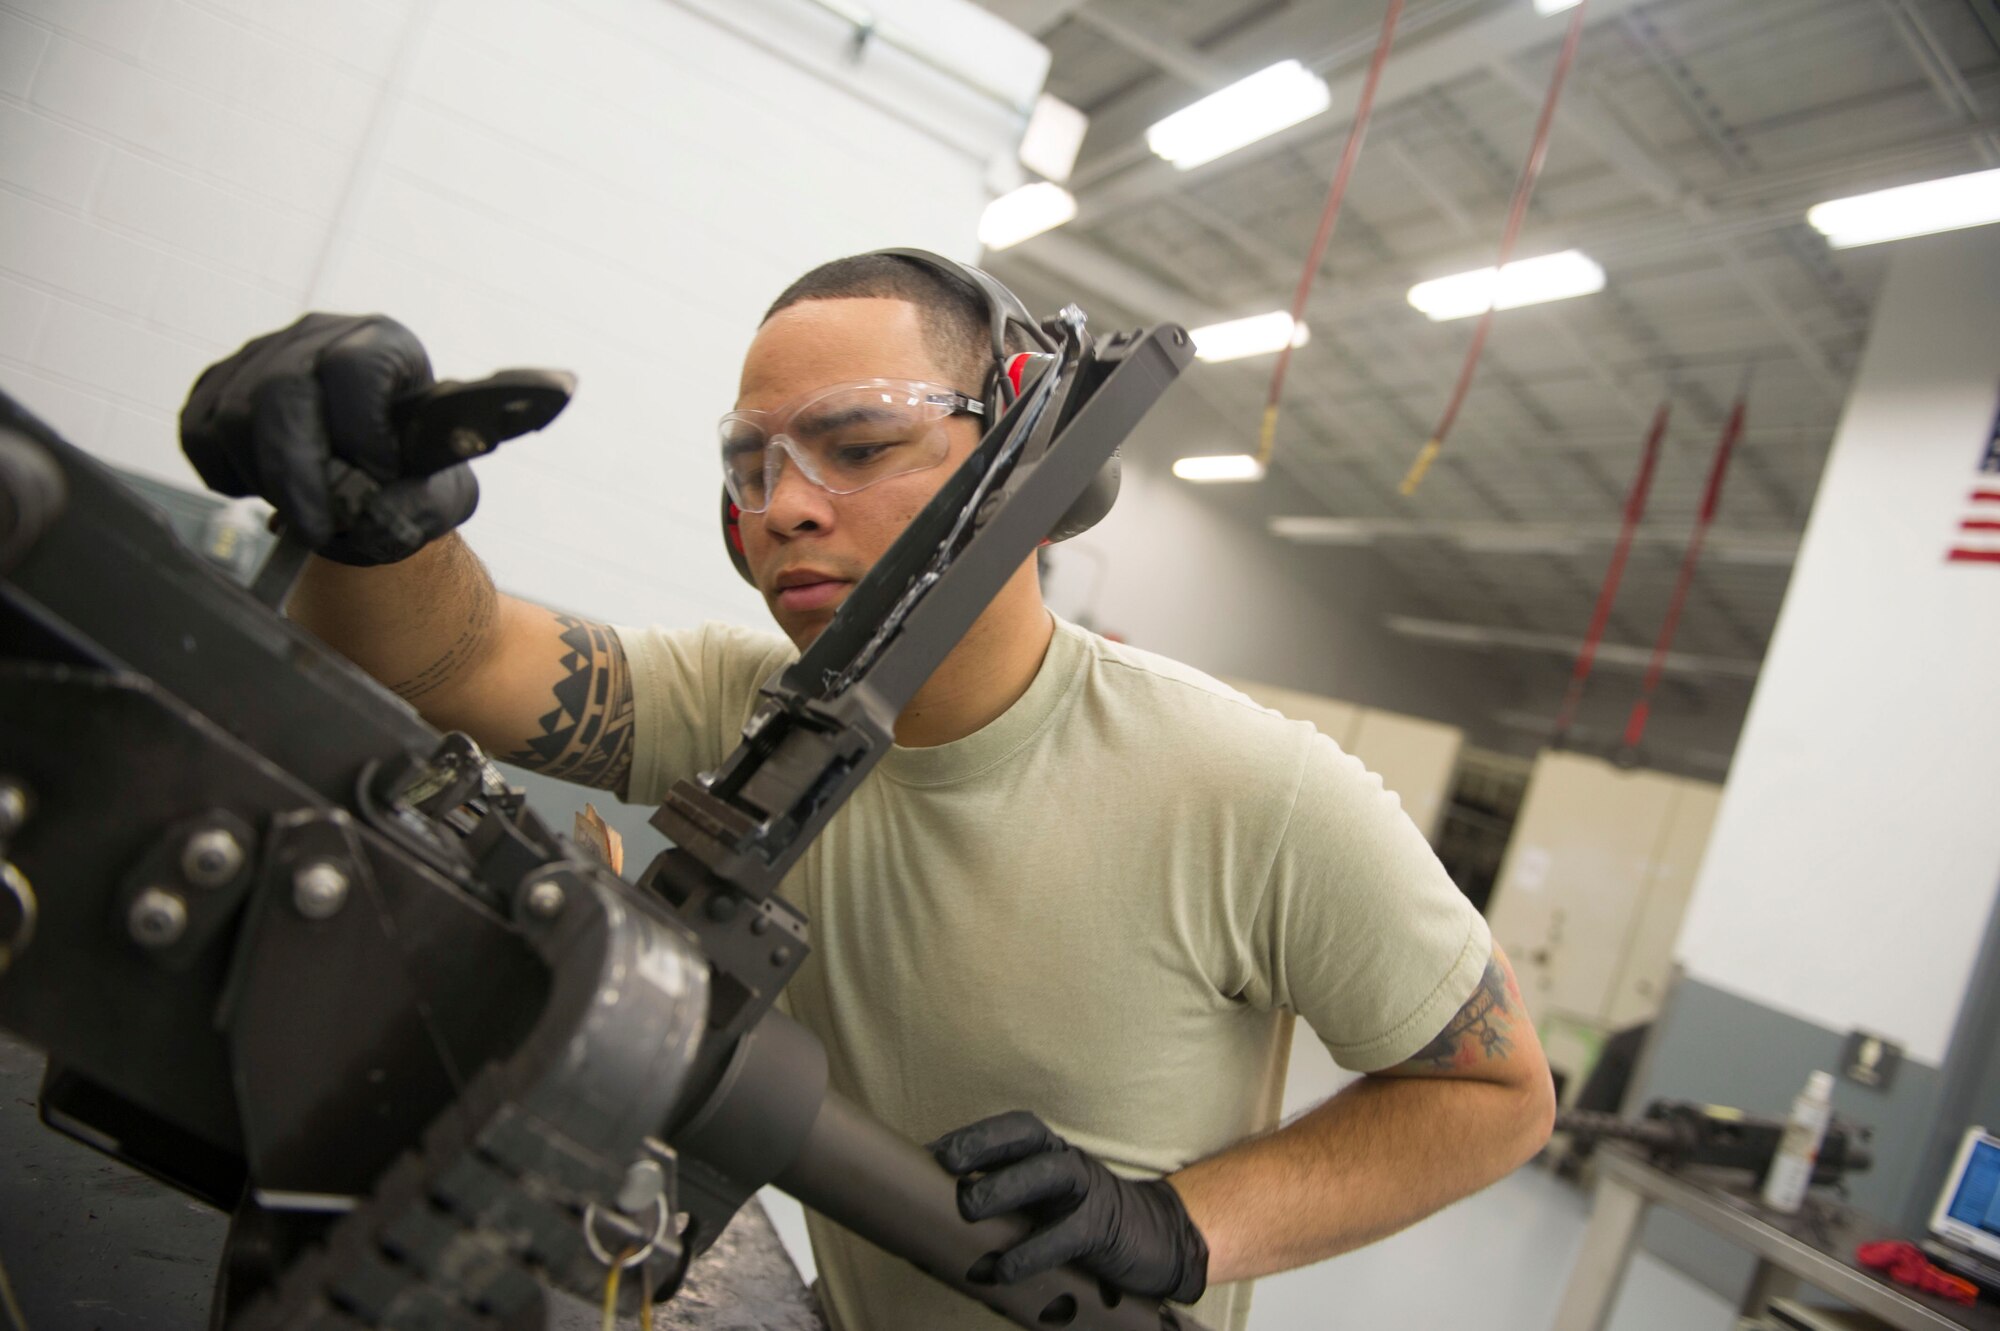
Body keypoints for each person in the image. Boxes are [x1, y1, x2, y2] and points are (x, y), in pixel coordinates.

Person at [179, 252, 1555, 1331]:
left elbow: (1497, 1094)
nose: (782, 505)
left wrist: (1181, 1225)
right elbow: (456, 651)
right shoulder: (743, 708)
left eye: (858, 444)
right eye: (754, 464)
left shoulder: (1253, 787)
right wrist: (376, 517)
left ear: (1022, 454)